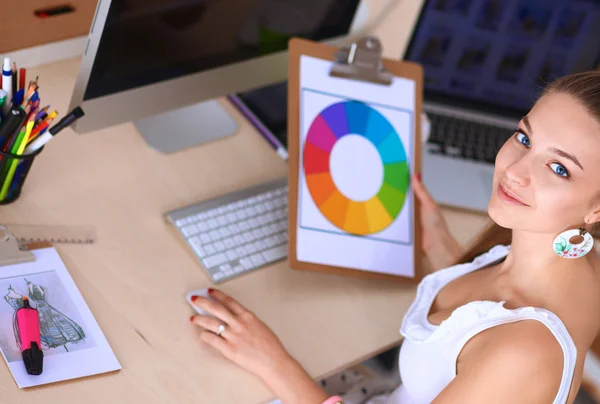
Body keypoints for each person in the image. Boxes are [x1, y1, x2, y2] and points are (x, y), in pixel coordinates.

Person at [189, 70, 600, 404]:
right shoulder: (574, 258)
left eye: (559, 169)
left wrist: (274, 363)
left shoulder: (528, 354)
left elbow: (507, 345)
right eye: (525, 138)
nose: (515, 170)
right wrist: (442, 247)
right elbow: (489, 323)